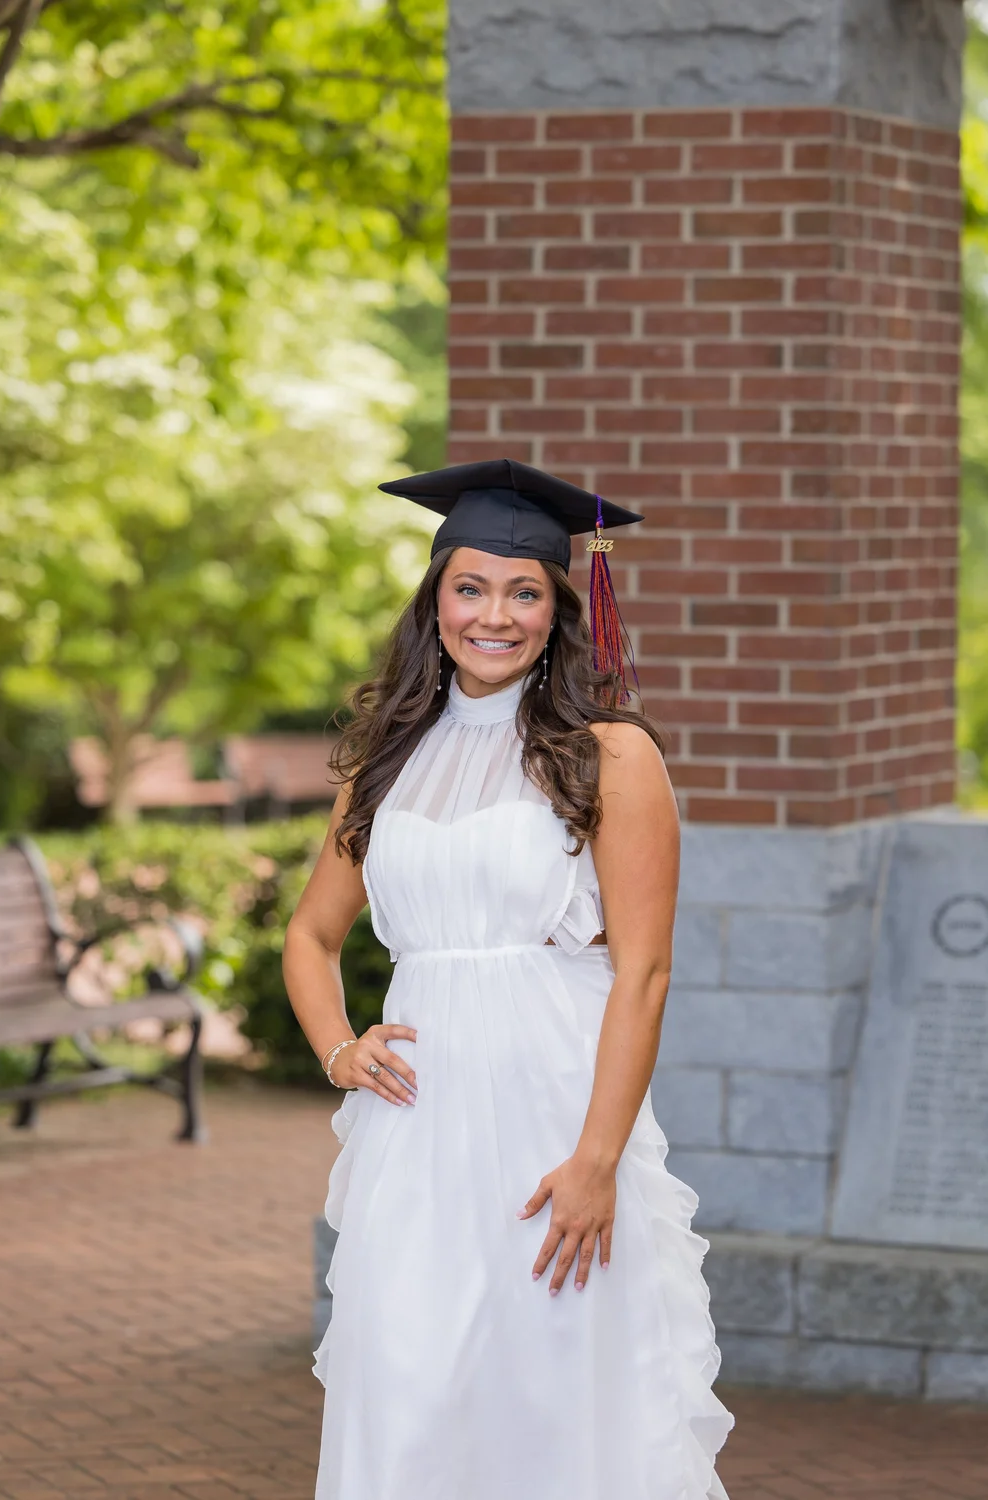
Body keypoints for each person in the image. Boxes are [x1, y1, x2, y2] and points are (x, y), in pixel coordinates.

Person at [283, 458, 734, 1500]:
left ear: (556, 608)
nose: (496, 615)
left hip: (552, 1121)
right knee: (407, 1381)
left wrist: (597, 1161)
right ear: (434, 600)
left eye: (524, 591)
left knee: (551, 1392)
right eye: (471, 587)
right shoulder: (388, 760)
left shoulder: (608, 753)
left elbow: (645, 973)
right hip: (418, 1129)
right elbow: (309, 936)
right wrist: (339, 1051)